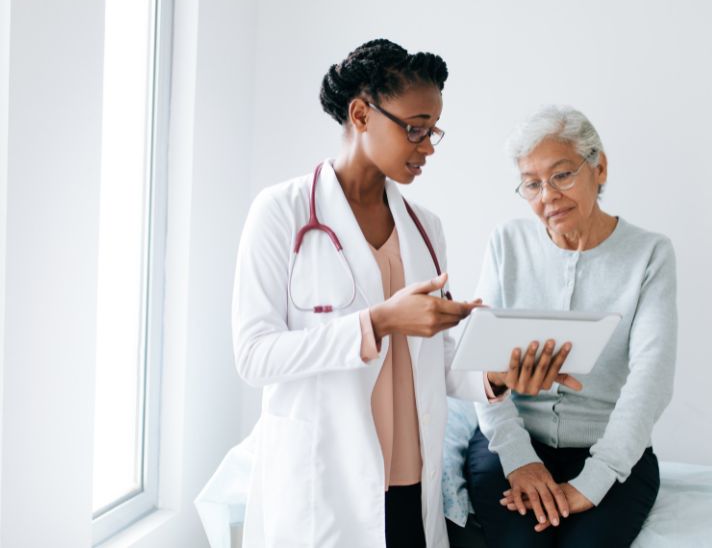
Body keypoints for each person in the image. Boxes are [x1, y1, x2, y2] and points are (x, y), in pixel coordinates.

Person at [231, 41, 579, 548]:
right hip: (324, 482)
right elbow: (253, 356)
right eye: (415, 128)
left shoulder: (426, 228)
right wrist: (378, 323)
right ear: (361, 114)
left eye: (433, 130)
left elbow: (436, 362)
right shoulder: (280, 212)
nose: (429, 146)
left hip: (410, 480)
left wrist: (499, 374)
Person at [465, 105, 678, 548]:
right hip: (511, 441)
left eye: (562, 175)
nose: (548, 196)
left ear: (599, 168)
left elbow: (651, 378)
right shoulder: (507, 242)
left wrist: (595, 479)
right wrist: (520, 459)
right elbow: (479, 362)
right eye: (532, 184)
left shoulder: (651, 254)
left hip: (612, 450)